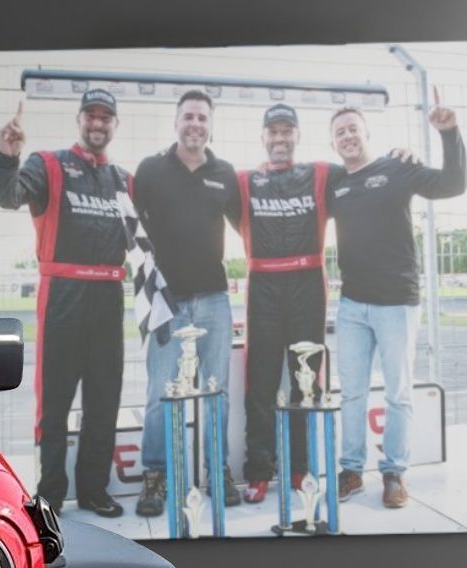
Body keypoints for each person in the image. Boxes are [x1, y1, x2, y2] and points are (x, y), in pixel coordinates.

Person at [0, 88, 129, 518]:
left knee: (105, 402)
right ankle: (49, 493)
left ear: (114, 125)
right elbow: (6, 195)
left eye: (106, 117)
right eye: (91, 115)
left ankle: (94, 489)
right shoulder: (48, 164)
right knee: (56, 404)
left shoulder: (125, 179)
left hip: (110, 298)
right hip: (63, 296)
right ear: (80, 120)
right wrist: (7, 157)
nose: (98, 123)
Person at [327, 92, 463, 508]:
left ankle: (394, 473)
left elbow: (453, 184)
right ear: (333, 143)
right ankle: (351, 471)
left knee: (398, 393)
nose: (348, 136)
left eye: (353, 128)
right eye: (339, 133)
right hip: (351, 306)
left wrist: (449, 133)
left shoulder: (398, 166)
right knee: (350, 393)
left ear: (367, 133)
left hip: (397, 302)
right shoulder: (334, 183)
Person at [132, 90, 243, 518]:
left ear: (210, 125)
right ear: (176, 122)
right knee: (161, 393)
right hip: (166, 300)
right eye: (188, 117)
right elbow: (128, 228)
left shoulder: (225, 174)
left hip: (214, 297)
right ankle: (156, 474)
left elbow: (249, 228)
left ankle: (218, 471)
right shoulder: (151, 170)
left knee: (216, 392)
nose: (195, 124)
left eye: (202, 118)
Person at [234, 104, 331, 503]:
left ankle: (300, 468)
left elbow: (363, 180)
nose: (279, 138)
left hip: (309, 284)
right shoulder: (243, 180)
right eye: (272, 131)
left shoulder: (321, 173)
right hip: (263, 286)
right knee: (260, 383)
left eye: (287, 130)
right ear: (262, 137)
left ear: (296, 136)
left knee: (305, 384)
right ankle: (259, 471)